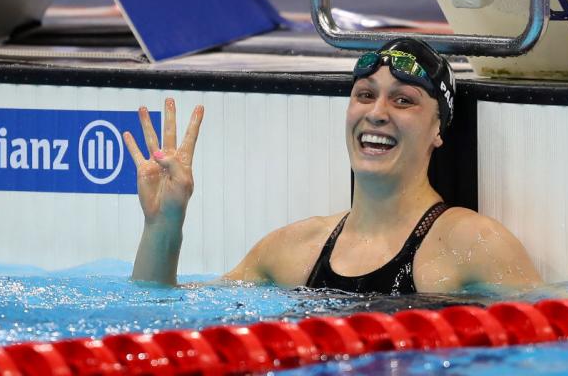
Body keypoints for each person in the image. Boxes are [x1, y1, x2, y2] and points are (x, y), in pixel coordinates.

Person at [123, 38, 542, 293]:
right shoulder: (291, 250)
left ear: (438, 129)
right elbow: (161, 317)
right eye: (364, 95)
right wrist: (163, 226)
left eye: (403, 100)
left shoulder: (474, 246)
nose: (377, 113)